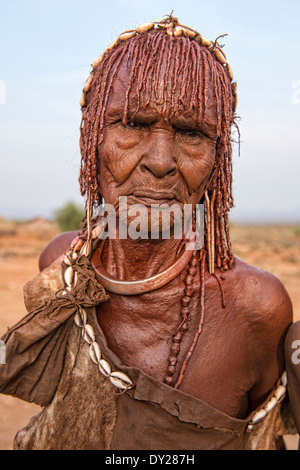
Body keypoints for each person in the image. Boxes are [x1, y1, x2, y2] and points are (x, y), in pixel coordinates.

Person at [0, 15, 298, 450]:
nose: (160, 161)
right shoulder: (64, 268)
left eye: (192, 132)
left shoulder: (256, 310)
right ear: (91, 139)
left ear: (220, 161)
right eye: (133, 125)